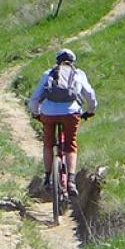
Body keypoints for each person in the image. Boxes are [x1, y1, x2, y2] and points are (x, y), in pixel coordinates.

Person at [26, 49, 97, 198]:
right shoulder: (78, 74)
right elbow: (90, 96)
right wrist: (90, 110)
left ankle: (47, 178)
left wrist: (36, 113)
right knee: (70, 145)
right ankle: (71, 181)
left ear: (57, 61)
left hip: (49, 114)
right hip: (71, 113)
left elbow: (34, 99)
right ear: (73, 62)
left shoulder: (48, 74)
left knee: (47, 144)